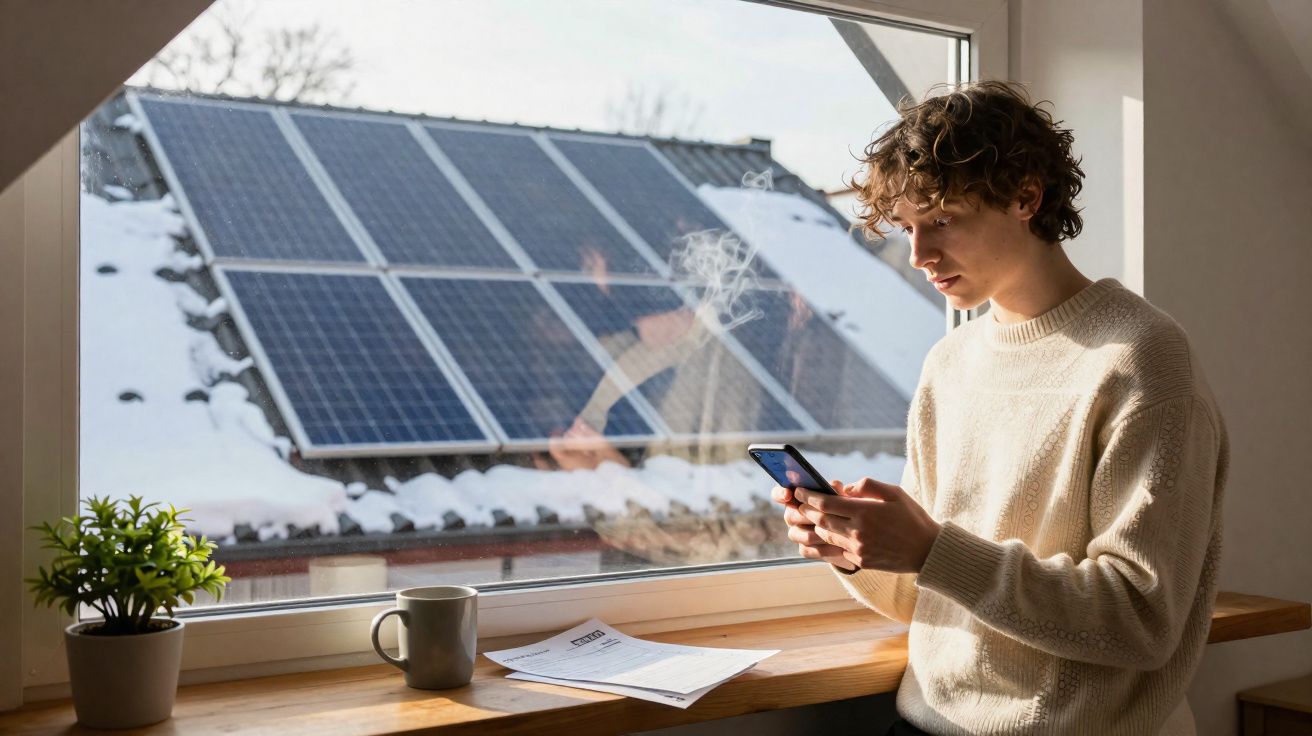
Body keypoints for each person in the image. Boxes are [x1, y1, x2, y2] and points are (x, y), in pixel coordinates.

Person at [771, 81, 1228, 736]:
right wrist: (856, 548)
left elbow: (1140, 619)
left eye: (943, 220)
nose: (919, 255)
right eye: (908, 229)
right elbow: (932, 597)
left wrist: (932, 549)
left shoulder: (1141, 360)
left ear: (1025, 197)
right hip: (924, 721)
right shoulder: (949, 364)